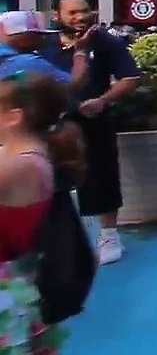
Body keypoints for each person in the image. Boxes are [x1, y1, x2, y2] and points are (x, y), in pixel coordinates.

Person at [47, 0, 141, 265]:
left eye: (84, 10)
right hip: (52, 125)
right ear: (57, 16)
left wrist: (103, 100)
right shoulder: (44, 43)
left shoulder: (106, 42)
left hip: (94, 121)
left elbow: (131, 77)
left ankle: (109, 235)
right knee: (51, 181)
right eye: (72, 12)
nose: (80, 17)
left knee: (102, 175)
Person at [0, 73, 86, 353]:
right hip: (24, 293)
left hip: (11, 300)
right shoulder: (32, 157)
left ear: (13, 116)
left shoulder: (16, 167)